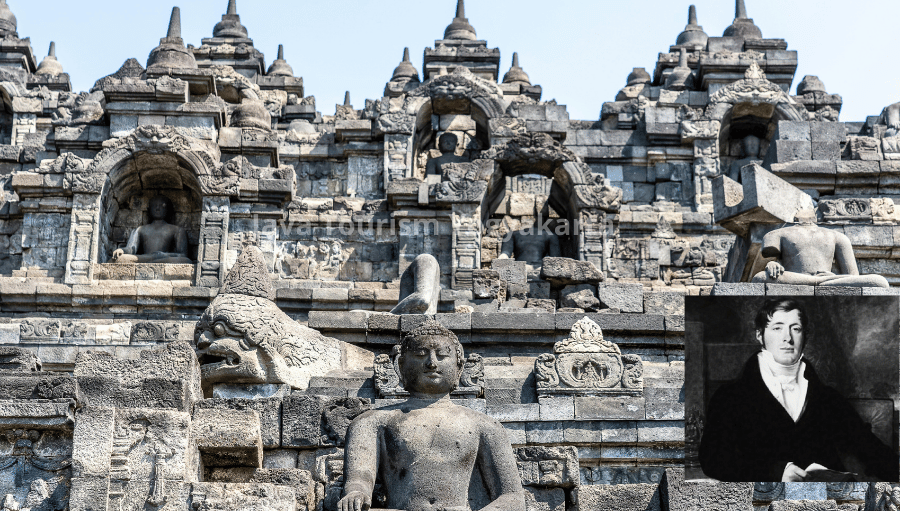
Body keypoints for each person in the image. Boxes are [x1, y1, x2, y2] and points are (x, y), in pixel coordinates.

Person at [699, 298, 897, 482]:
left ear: (805, 336)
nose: (788, 338)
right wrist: (775, 472)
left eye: (796, 329)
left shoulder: (826, 397)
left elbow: (869, 448)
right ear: (760, 335)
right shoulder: (730, 397)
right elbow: (713, 460)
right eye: (777, 328)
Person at [339, 319, 524, 511]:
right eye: (420, 354)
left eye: (442, 355)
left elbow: (513, 498)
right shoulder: (371, 422)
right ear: (400, 365)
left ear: (459, 367)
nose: (432, 363)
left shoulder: (485, 426)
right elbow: (359, 478)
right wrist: (356, 494)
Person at [750, 209, 888, 287]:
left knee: (879, 282)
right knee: (760, 278)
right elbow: (768, 260)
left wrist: (834, 278)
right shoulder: (776, 234)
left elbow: (853, 276)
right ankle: (818, 282)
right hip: (796, 278)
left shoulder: (837, 236)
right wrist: (772, 264)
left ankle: (821, 281)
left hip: (828, 279)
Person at [111, 195, 191, 264]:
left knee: (186, 261)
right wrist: (122, 250)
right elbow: (131, 249)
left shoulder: (177, 230)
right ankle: (154, 262)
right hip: (145, 258)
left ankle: (155, 261)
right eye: (154, 205)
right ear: (149, 209)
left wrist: (163, 255)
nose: (157, 208)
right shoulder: (140, 229)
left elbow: (183, 255)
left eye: (162, 205)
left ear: (168, 209)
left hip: (165, 258)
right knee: (120, 259)